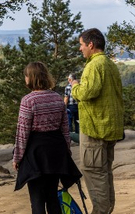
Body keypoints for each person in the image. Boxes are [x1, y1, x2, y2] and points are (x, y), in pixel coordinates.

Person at [13, 62, 82, 214]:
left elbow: (23, 132)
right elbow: (65, 128)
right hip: (56, 152)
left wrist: (17, 157)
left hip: (36, 153)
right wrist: (66, 152)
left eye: (26, 75)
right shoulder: (57, 98)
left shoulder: (28, 100)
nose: (25, 78)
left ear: (31, 78)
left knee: (37, 200)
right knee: (52, 197)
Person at [70, 28, 124, 214]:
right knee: (104, 173)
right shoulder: (110, 64)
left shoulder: (94, 65)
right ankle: (106, 209)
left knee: (94, 172)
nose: (80, 49)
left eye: (81, 45)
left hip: (95, 129)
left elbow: (88, 92)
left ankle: (100, 211)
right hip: (109, 127)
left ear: (90, 45)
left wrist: (75, 87)